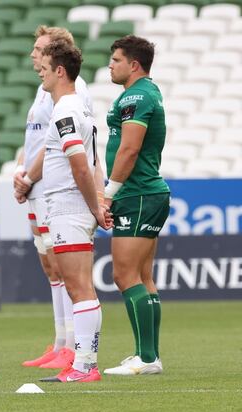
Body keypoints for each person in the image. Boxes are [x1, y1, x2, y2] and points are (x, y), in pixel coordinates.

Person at [13, 26, 94, 370]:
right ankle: (61, 340)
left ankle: (74, 347)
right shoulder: (43, 89)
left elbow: (66, 146)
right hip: (37, 188)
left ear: (57, 55)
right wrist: (21, 168)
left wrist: (30, 176)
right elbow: (36, 138)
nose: (35, 55)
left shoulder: (71, 94)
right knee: (51, 267)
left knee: (64, 267)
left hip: (52, 189)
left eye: (40, 49)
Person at [31, 41, 112, 383]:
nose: (41, 73)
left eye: (45, 69)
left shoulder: (65, 111)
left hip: (68, 206)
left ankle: (85, 365)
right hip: (71, 206)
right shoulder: (78, 109)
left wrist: (94, 206)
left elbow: (80, 165)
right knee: (80, 287)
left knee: (78, 287)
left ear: (60, 71)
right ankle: (83, 362)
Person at [102, 35, 168, 376]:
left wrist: (109, 193)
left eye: (115, 60)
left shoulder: (138, 95)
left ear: (134, 64)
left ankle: (146, 359)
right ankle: (149, 355)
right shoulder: (141, 93)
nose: (110, 65)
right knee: (143, 276)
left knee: (124, 274)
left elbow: (129, 149)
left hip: (138, 193)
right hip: (144, 193)